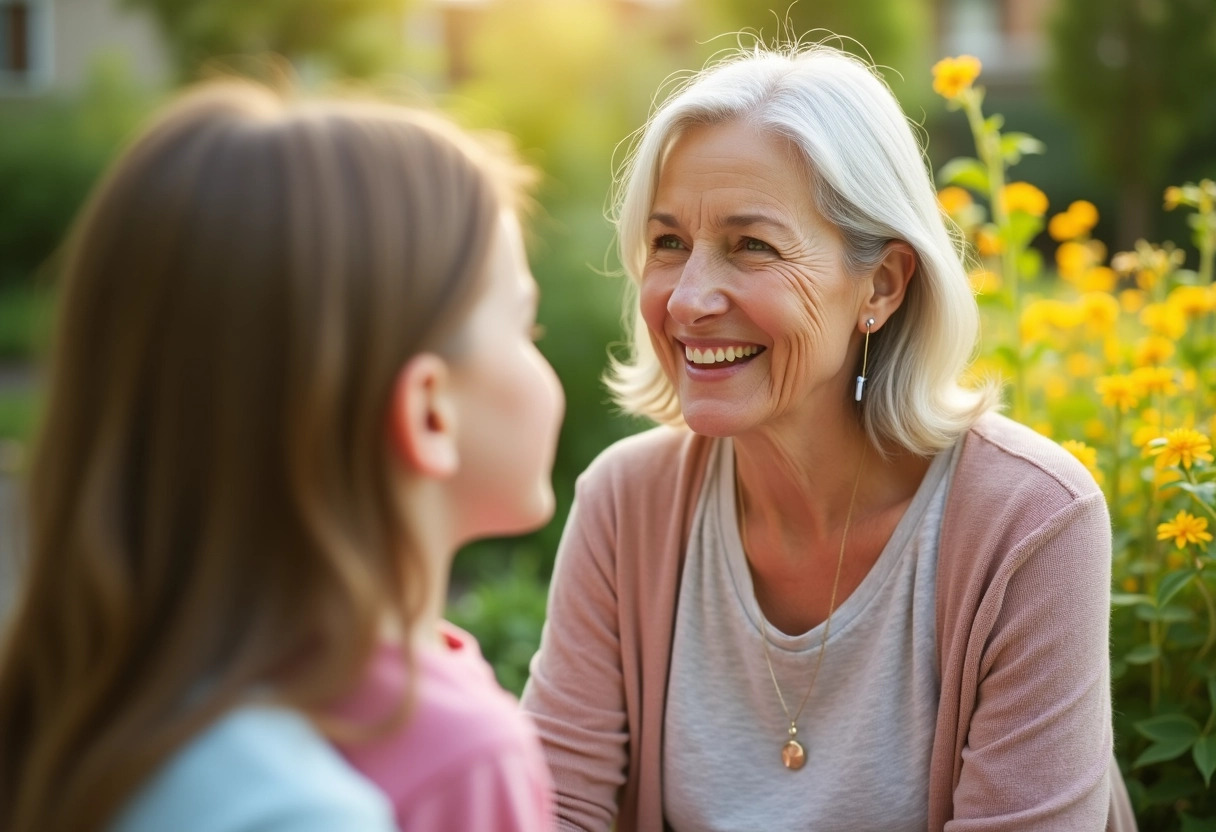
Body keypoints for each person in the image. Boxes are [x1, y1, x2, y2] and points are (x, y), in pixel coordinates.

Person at [520, 43, 1137, 831]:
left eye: (752, 245)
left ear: (880, 285)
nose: (687, 299)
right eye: (669, 242)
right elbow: (553, 809)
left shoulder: (1031, 522)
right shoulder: (625, 504)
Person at [0, 80, 564, 832]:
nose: (538, 354)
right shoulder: (460, 759)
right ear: (429, 410)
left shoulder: (90, 692)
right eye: (527, 327)